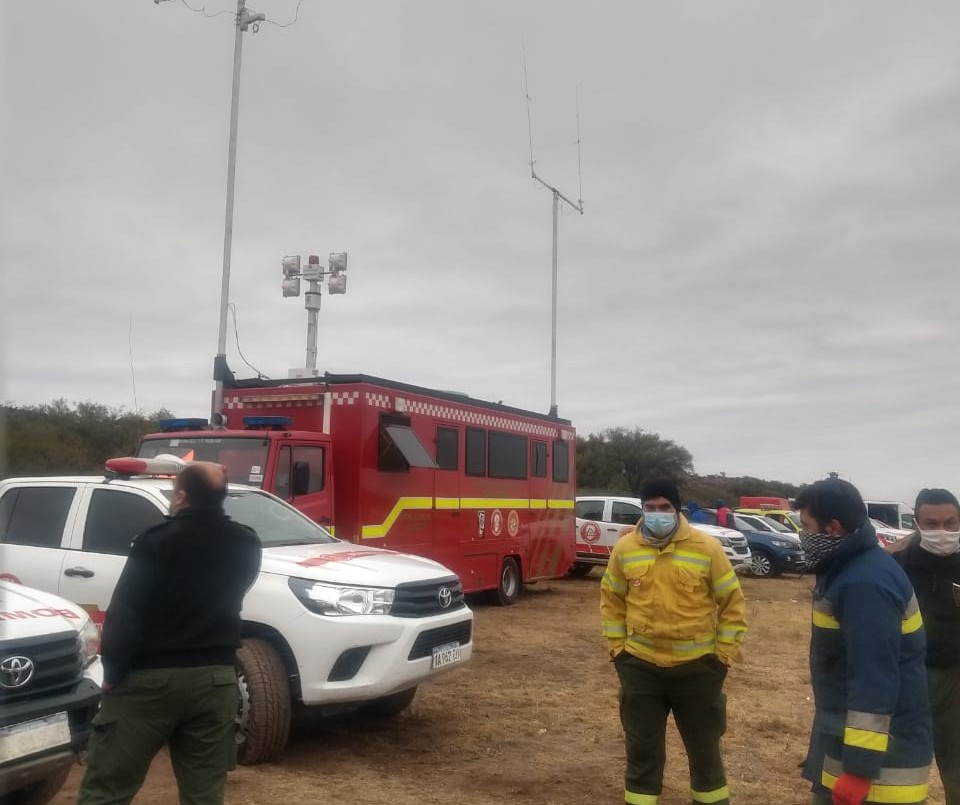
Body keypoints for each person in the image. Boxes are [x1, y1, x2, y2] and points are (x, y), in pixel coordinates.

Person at [77, 462, 262, 805]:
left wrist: (113, 672)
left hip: (149, 681)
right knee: (205, 795)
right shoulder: (247, 542)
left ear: (180, 497)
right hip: (216, 681)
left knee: (107, 791)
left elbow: (125, 613)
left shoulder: (155, 541)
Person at [601, 477, 746, 805]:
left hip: (698, 671)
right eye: (650, 508)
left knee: (705, 756)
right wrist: (618, 651)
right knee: (642, 755)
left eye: (664, 507)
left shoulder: (707, 548)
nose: (657, 513)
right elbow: (611, 600)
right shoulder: (625, 549)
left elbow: (732, 604)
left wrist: (722, 657)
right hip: (640, 669)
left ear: (677, 508)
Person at [796, 478, 933, 805]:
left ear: (833, 528)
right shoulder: (850, 567)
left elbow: (874, 679)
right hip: (854, 746)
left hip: (882, 771)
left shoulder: (865, 585)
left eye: (806, 526)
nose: (802, 535)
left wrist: (859, 770)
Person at [887, 488, 960, 805]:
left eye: (951, 522)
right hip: (906, 679)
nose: (942, 531)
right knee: (895, 768)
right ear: (916, 523)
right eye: (931, 523)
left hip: (955, 677)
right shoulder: (895, 562)